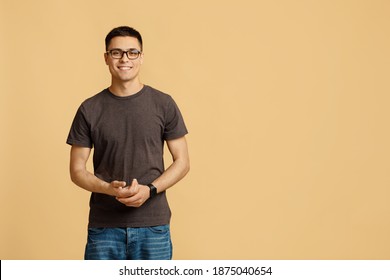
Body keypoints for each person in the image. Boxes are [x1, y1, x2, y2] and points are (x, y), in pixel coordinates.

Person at [66, 26, 190, 260]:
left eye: (132, 52)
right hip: (104, 228)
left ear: (141, 57)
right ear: (106, 58)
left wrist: (150, 190)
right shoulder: (89, 109)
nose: (125, 59)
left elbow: (182, 162)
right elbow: (76, 170)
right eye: (117, 53)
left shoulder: (164, 104)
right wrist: (107, 189)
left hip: (153, 226)